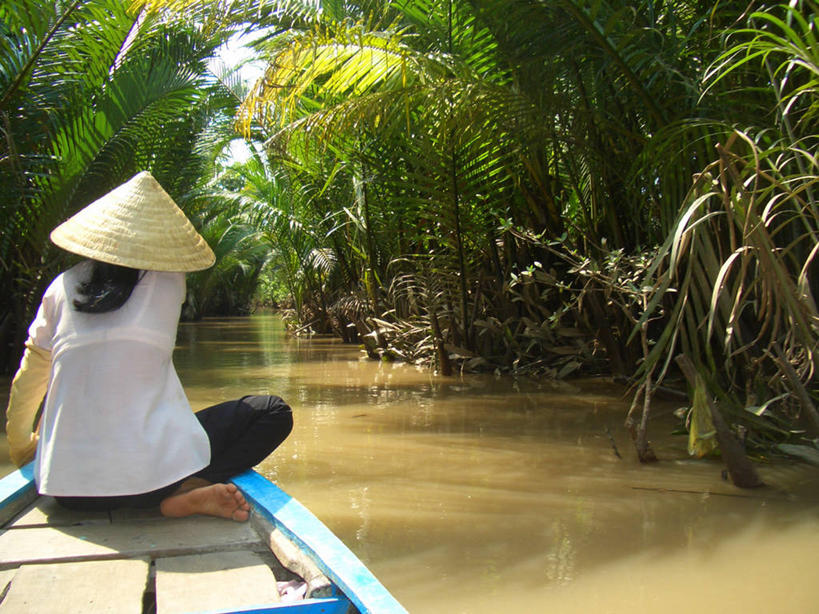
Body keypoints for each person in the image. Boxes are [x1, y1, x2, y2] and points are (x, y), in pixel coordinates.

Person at [4, 171, 293, 521]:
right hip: (153, 484)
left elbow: (30, 378)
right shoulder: (171, 282)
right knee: (273, 411)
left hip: (64, 490)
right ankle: (189, 487)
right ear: (160, 240)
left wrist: (24, 450)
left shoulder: (60, 287)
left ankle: (175, 485)